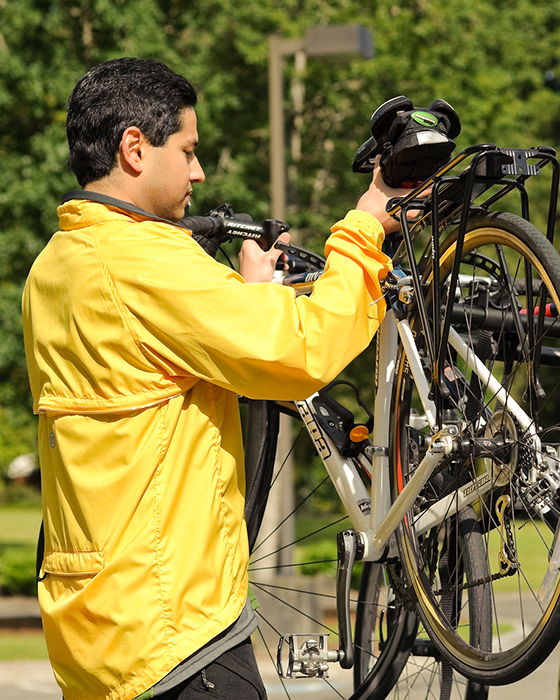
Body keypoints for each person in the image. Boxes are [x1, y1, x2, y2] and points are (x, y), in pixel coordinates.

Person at [22, 58, 410, 700]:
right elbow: (297, 353)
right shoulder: (143, 262)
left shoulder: (57, 266)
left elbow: (157, 372)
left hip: (97, 627)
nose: (199, 172)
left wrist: (246, 297)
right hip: (174, 631)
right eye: (189, 150)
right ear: (135, 148)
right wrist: (367, 224)